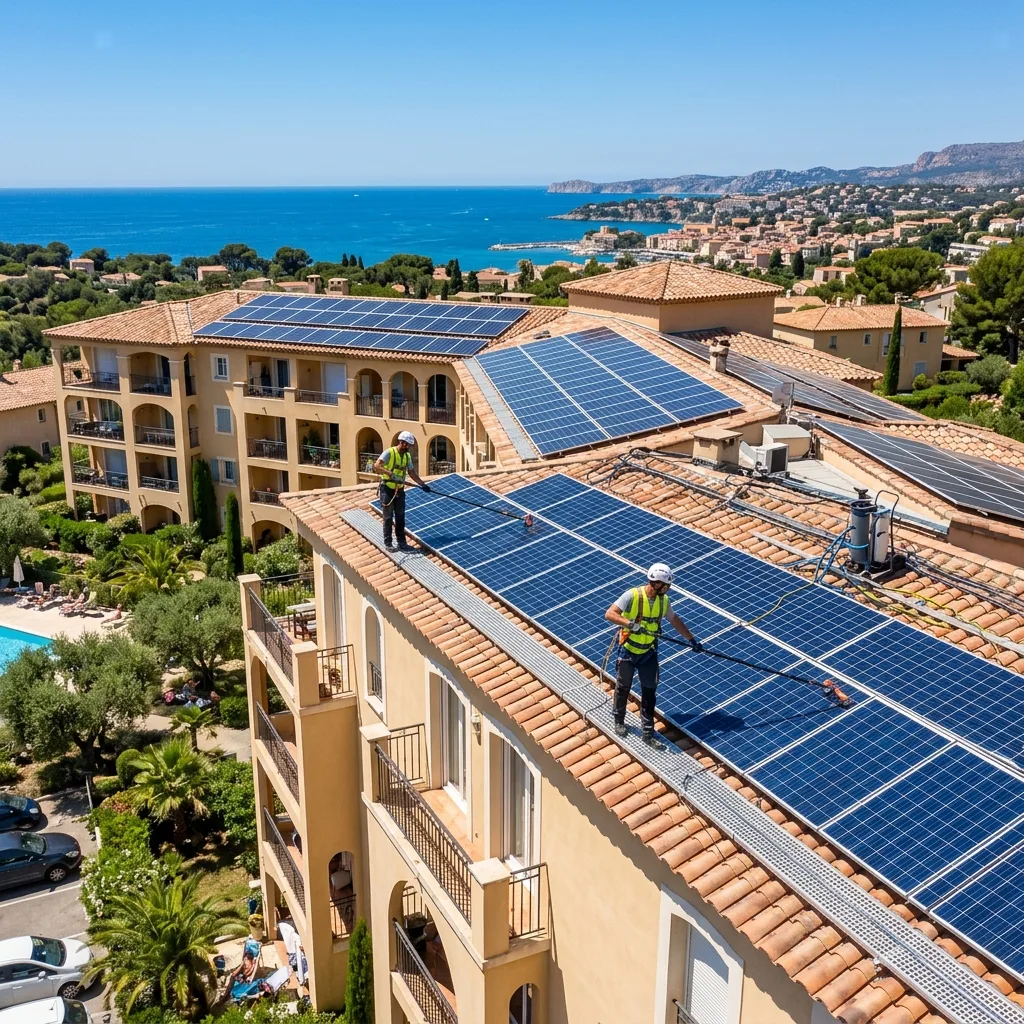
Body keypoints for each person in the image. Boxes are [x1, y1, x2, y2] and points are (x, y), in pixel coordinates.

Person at [604, 563, 702, 749]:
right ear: (654, 583)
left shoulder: (664, 601)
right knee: (623, 686)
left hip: (648, 652)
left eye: (668, 586)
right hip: (628, 650)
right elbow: (610, 614)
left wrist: (692, 640)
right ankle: (619, 720)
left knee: (649, 692)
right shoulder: (632, 596)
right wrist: (630, 624)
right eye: (664, 586)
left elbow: (674, 619)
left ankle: (648, 733)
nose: (667, 589)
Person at [373, 430, 430, 551]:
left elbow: (411, 472)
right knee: (388, 518)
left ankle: (402, 543)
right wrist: (389, 473)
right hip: (387, 489)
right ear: (401, 442)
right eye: (406, 444)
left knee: (400, 516)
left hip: (399, 490)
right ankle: (388, 543)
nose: (407, 447)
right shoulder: (389, 453)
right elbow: (377, 466)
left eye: (409, 445)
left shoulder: (407, 456)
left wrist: (423, 484)